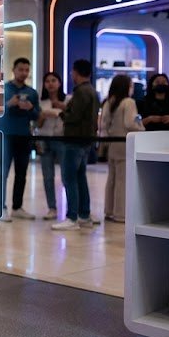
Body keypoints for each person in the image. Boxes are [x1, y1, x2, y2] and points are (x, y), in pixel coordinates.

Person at [52, 59, 100, 231]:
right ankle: (84, 215)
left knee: (69, 178)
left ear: (76, 72)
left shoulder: (80, 92)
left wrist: (61, 113)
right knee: (80, 177)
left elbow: (74, 116)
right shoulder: (92, 91)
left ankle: (72, 217)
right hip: (86, 140)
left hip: (74, 140)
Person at [0, 57, 40, 222]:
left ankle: (17, 207)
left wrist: (30, 108)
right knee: (3, 173)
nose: (23, 73)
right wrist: (9, 104)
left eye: (26, 70)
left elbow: (37, 116)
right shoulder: (4, 88)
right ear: (13, 70)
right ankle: (0, 207)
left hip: (24, 136)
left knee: (21, 174)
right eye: (21, 69)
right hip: (6, 136)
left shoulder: (32, 93)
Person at [100, 74, 143, 223]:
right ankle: (120, 213)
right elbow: (130, 123)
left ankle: (109, 210)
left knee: (112, 178)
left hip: (112, 143)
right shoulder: (129, 102)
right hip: (125, 143)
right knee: (122, 180)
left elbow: (104, 124)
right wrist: (141, 128)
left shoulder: (108, 102)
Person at [38, 72, 66, 220]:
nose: (50, 84)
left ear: (59, 83)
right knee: (48, 176)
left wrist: (62, 109)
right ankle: (52, 208)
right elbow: (37, 124)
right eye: (47, 81)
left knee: (66, 175)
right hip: (44, 139)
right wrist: (42, 116)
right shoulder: (41, 102)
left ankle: (72, 208)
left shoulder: (68, 100)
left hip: (62, 139)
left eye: (53, 80)